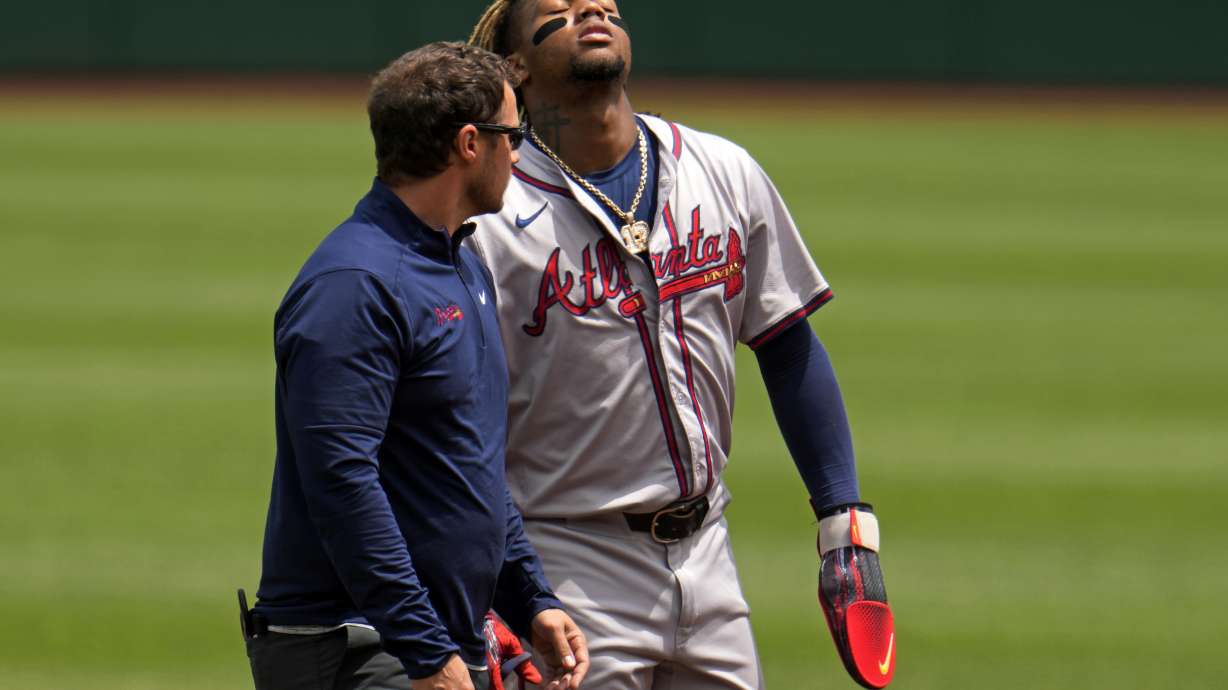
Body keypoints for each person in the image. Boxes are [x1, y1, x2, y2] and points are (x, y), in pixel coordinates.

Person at [465, 3, 896, 689]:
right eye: (560, 9)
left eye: (603, 4)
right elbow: (456, 418)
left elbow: (787, 344)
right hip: (565, 560)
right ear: (514, 64)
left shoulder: (721, 169)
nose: (591, 11)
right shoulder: (490, 211)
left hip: (707, 555)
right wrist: (488, 581)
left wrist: (841, 516)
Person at [240, 41, 588, 690]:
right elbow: (341, 479)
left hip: (420, 642)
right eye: (512, 134)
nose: (519, 152)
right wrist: (425, 648)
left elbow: (465, 460)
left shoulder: (461, 262)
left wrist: (529, 597)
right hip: (358, 648)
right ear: (467, 144)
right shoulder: (355, 283)